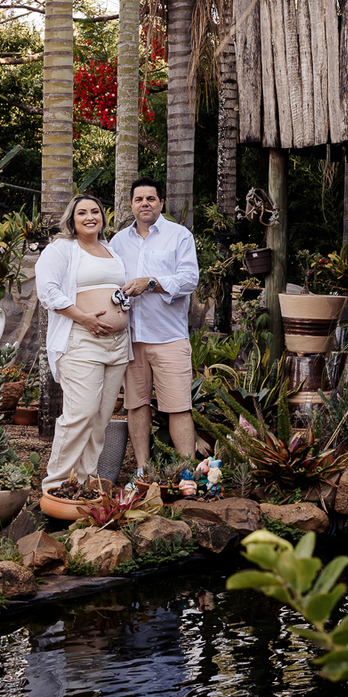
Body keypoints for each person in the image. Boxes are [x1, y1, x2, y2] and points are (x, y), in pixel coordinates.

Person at [36, 193, 131, 488]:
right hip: (82, 340)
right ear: (72, 220)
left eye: (95, 211)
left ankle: (86, 480)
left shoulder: (110, 249)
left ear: (102, 217)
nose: (90, 217)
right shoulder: (63, 248)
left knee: (101, 418)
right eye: (82, 213)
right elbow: (48, 291)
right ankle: (56, 483)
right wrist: (85, 318)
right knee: (81, 414)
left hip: (117, 344)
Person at [110, 177, 200, 474]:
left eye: (151, 198)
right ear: (131, 205)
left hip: (168, 337)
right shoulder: (118, 242)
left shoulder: (179, 236)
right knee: (136, 406)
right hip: (131, 337)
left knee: (177, 407)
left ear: (161, 203)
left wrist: (151, 282)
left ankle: (186, 472)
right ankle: (142, 471)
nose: (145, 204)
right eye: (139, 199)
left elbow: (189, 279)